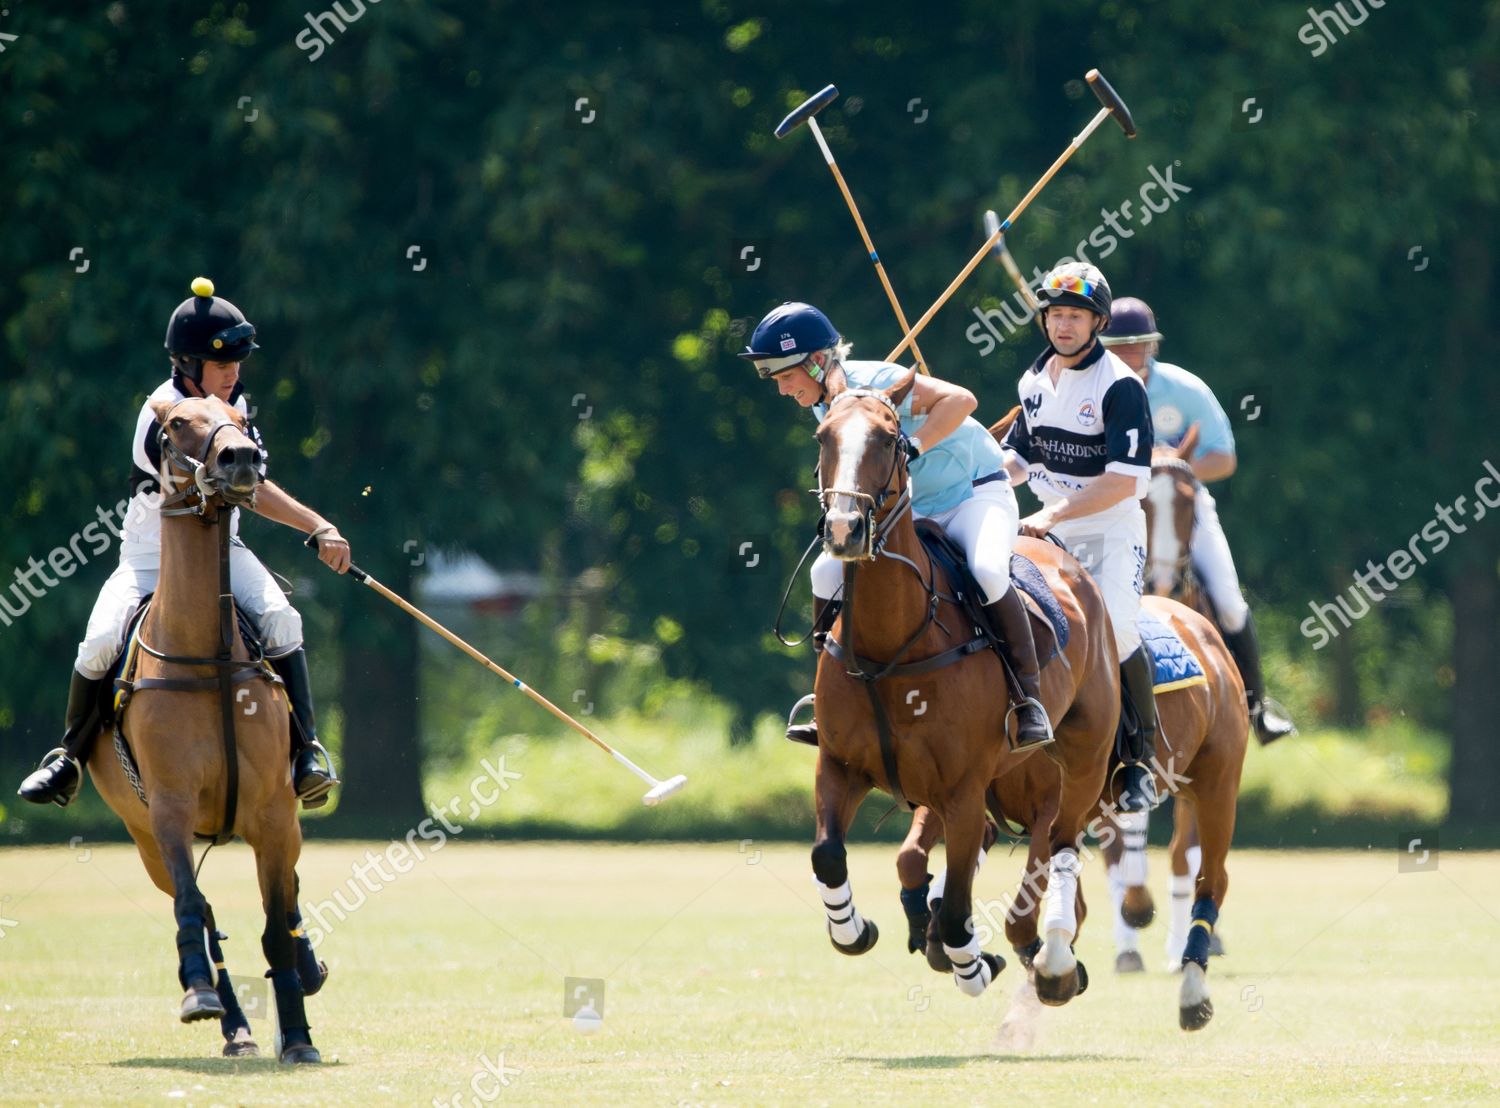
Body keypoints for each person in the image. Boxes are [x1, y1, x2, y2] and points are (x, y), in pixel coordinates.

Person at [18, 277, 347, 809]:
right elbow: (225, 485)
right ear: (189, 365)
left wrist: (319, 526)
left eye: (237, 363)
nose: (233, 373)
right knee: (100, 641)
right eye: (221, 364)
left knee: (283, 619)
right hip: (150, 560)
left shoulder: (237, 408)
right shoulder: (163, 413)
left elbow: (252, 486)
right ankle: (68, 757)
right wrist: (312, 522)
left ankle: (305, 752)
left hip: (225, 555)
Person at [741, 301, 1052, 748]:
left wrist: (914, 444)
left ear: (817, 361)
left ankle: (1029, 698)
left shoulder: (880, 380)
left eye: (786, 376)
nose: (782, 389)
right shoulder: (829, 404)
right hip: (913, 508)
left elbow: (962, 399)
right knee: (825, 573)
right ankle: (827, 696)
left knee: (986, 571)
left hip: (974, 494)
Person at [998, 263, 1159, 811]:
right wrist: (985, 473)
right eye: (1056, 315)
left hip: (1110, 531)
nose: (1063, 326)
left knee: (1117, 629)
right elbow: (1020, 457)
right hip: (1049, 528)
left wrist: (1052, 514)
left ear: (1098, 323)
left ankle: (1138, 761)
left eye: (1076, 316)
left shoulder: (1120, 385)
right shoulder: (1033, 380)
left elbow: (1125, 481)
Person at [1101, 297, 1295, 744]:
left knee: (1228, 601)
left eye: (1137, 344)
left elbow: (1224, 458)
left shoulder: (1185, 389)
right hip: (1111, 508)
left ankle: (1257, 709)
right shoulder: (1091, 389)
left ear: (1153, 346)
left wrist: (1169, 469)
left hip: (1181, 506)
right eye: (1117, 346)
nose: (1128, 354)